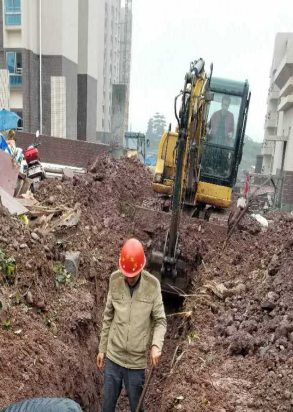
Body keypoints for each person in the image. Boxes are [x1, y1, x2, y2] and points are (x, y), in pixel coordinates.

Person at [97, 238, 167, 412]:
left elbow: (160, 320)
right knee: (107, 407)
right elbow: (108, 317)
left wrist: (156, 345)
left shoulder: (152, 286)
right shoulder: (114, 280)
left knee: (137, 407)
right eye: (126, 275)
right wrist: (102, 348)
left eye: (132, 275)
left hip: (136, 363)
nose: (128, 278)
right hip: (114, 357)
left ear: (141, 269)